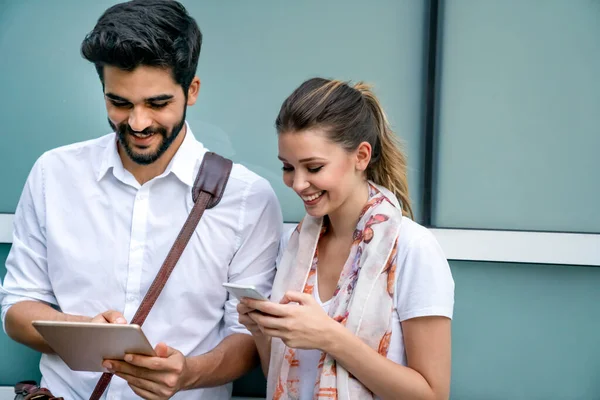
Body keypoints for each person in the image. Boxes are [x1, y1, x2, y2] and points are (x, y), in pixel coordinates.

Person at [0, 1, 282, 399]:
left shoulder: (248, 197)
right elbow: (17, 309)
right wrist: (83, 331)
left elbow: (250, 338)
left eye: (157, 103)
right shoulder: (54, 174)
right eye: (119, 103)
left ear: (192, 91)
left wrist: (190, 373)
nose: (138, 123)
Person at [238, 78, 454, 400]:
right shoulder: (294, 248)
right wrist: (259, 329)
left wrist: (329, 337)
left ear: (362, 156)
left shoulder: (411, 248)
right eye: (287, 167)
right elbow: (282, 377)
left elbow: (432, 395)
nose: (298, 184)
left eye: (314, 167)